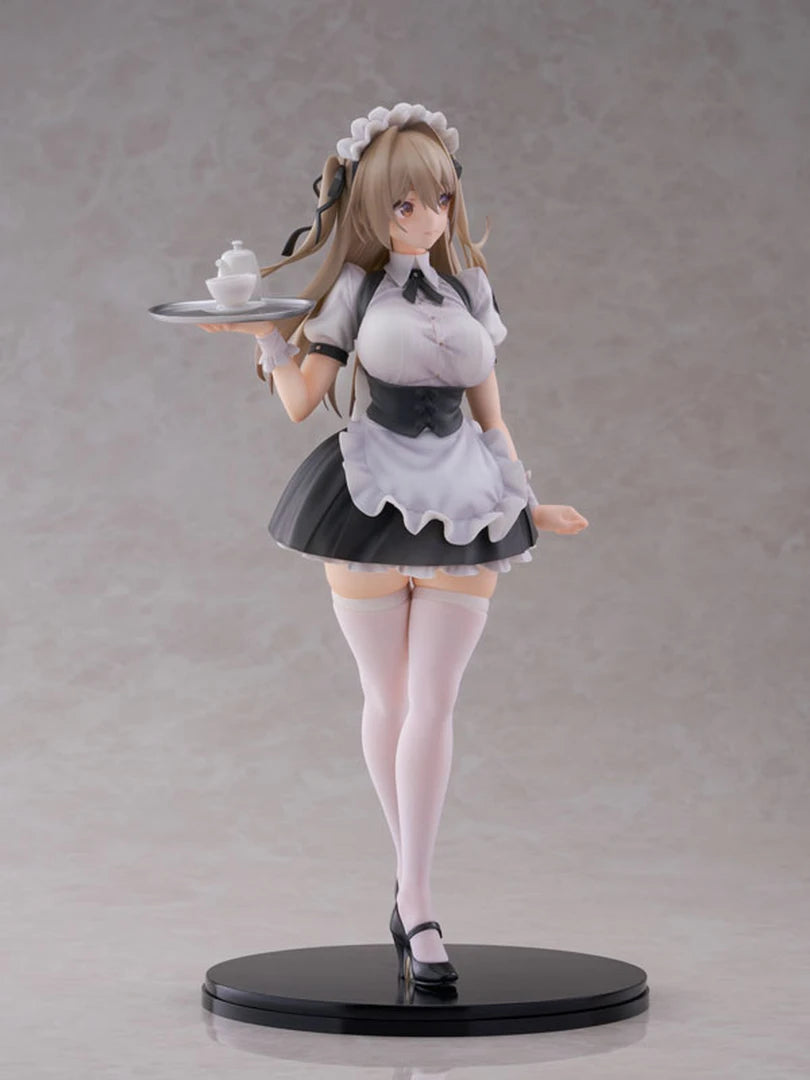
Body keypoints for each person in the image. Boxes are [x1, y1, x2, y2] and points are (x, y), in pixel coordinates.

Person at [199, 103, 588, 988]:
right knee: (389, 697)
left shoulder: (472, 290)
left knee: (436, 704)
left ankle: (415, 899)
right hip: (371, 492)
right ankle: (413, 898)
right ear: (372, 209)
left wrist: (530, 500)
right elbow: (303, 402)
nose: (426, 219)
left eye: (438, 200)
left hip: (469, 497)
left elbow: (493, 416)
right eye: (404, 205)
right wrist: (267, 336)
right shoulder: (353, 292)